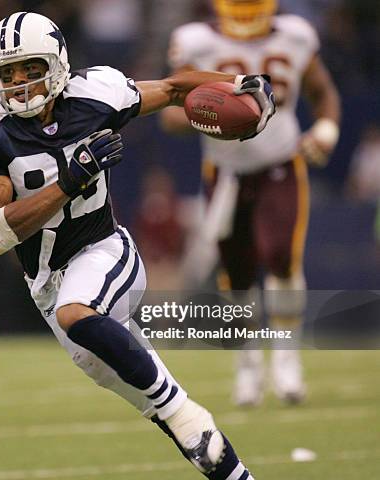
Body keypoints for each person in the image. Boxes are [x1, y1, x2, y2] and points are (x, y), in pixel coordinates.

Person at [0, 12, 275, 479]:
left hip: (103, 250)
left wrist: (241, 82)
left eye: (30, 70)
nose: (18, 85)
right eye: (7, 74)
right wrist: (70, 180)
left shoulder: (94, 93)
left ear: (56, 65)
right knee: (165, 412)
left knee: (78, 314)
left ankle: (184, 411)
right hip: (44, 282)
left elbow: (177, 89)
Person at [160, 0, 341, 406]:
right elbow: (170, 113)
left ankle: (287, 358)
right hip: (224, 173)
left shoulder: (295, 35)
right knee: (237, 276)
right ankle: (248, 363)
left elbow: (322, 90)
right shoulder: (197, 41)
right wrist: (212, 114)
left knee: (281, 257)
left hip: (280, 163)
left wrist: (326, 127)